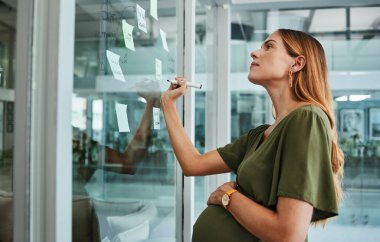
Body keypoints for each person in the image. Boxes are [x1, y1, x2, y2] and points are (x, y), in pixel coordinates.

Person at [161, 29, 344, 242]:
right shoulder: (260, 134)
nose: (254, 53)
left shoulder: (307, 119)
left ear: (296, 64)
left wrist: (229, 197)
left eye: (269, 46)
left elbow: (289, 235)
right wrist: (168, 104)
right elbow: (193, 164)